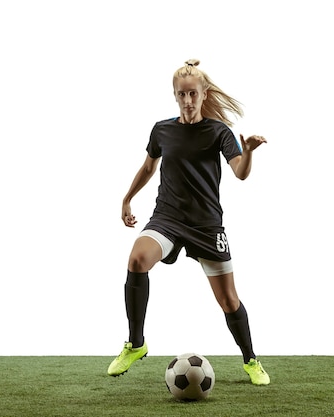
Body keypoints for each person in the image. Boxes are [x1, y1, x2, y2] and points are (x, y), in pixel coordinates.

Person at [107, 59, 270, 385]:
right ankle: (136, 344)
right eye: (181, 94)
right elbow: (148, 168)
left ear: (203, 93)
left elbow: (240, 172)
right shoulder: (162, 130)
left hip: (206, 226)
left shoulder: (218, 131)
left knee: (228, 300)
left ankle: (251, 361)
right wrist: (127, 198)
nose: (187, 100)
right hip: (167, 218)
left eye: (193, 94)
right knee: (137, 259)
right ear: (175, 95)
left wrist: (248, 151)